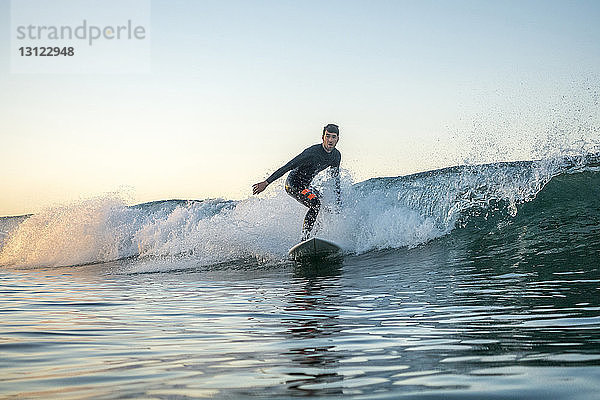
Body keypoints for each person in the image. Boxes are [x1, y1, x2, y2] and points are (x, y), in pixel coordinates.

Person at [253, 123, 342, 241]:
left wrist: (338, 200)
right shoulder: (312, 152)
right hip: (293, 184)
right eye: (327, 136)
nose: (330, 140)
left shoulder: (336, 156)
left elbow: (335, 179)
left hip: (306, 186)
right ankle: (304, 238)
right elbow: (288, 166)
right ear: (323, 137)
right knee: (315, 203)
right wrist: (266, 182)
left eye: (333, 137)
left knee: (325, 204)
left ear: (337, 139)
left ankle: (317, 234)